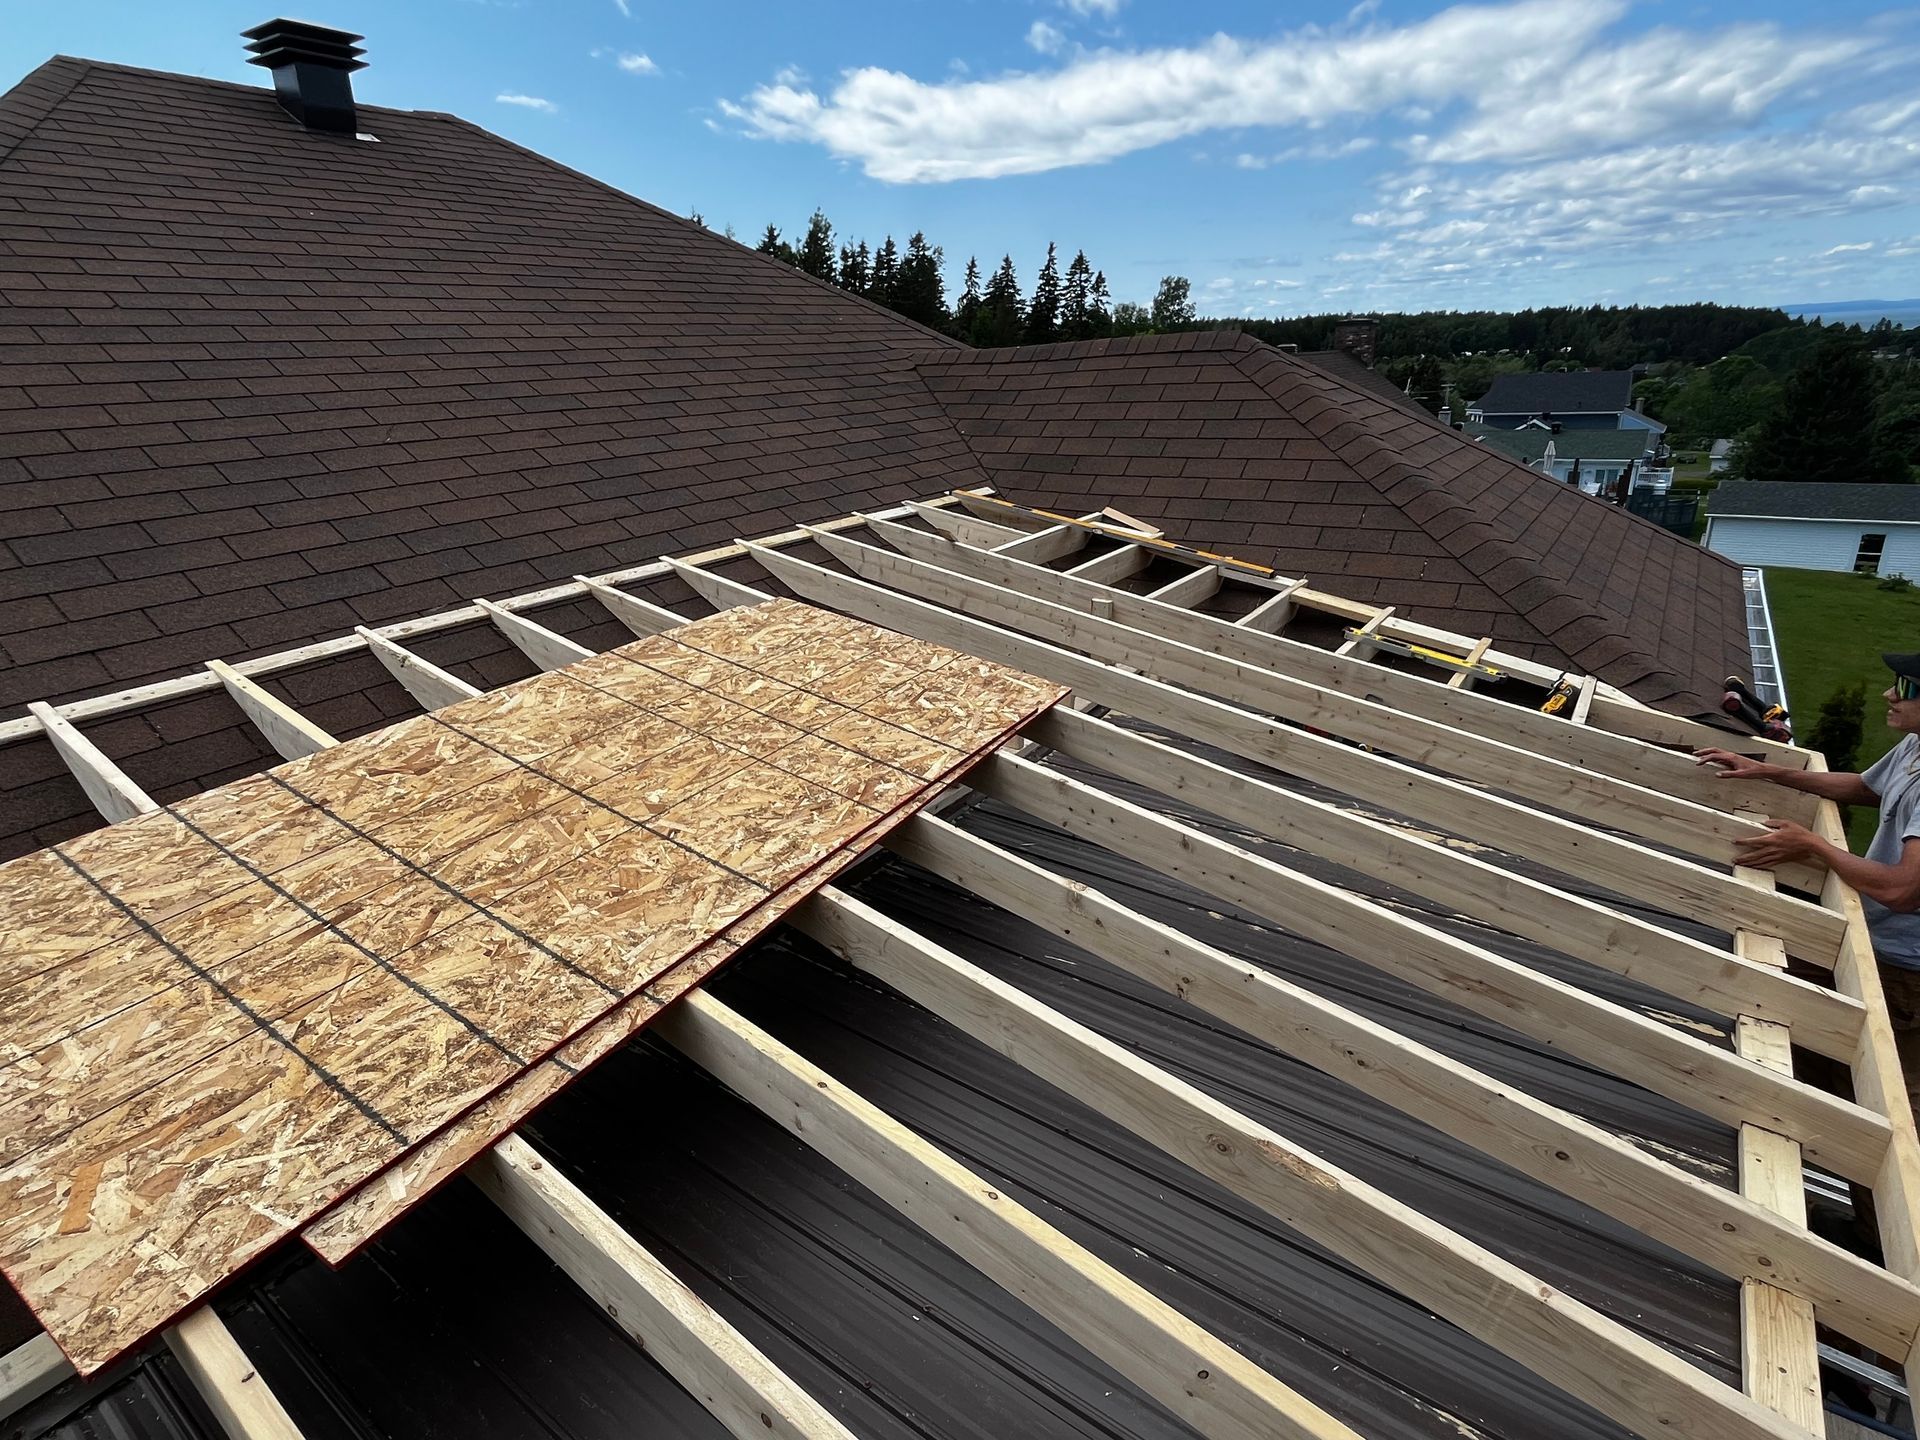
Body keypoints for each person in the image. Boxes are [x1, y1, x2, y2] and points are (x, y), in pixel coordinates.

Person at [1695, 652, 1920, 1091]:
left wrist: (1812, 844)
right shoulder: (1916, 743)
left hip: (1904, 971)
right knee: (1805, 1038)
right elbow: (1864, 788)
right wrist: (1767, 771)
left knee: (1872, 1085)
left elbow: (1904, 890)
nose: (1889, 694)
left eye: (1907, 687)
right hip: (1871, 939)